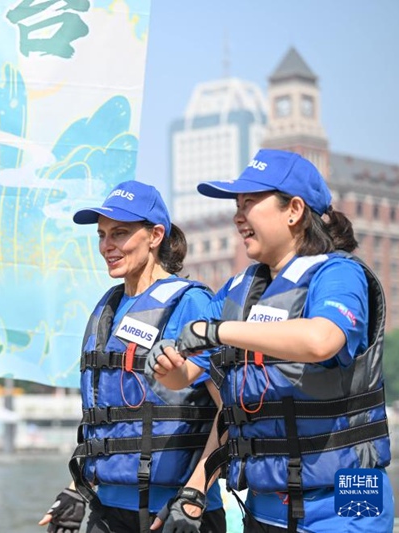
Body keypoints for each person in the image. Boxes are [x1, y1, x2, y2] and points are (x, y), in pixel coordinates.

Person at [148, 149, 393, 532]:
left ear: (294, 211)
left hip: (347, 494)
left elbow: (321, 339)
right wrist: (169, 366)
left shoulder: (339, 274)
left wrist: (217, 331)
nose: (237, 216)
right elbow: (185, 377)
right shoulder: (237, 291)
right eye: (236, 205)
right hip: (265, 506)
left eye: (249, 203)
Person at [39, 181, 226, 533]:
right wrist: (77, 490)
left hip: (176, 514)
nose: (107, 246)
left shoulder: (191, 303)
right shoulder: (108, 307)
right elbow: (110, 420)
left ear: (155, 235)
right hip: (108, 511)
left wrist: (195, 493)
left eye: (120, 234)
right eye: (102, 235)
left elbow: (230, 411)